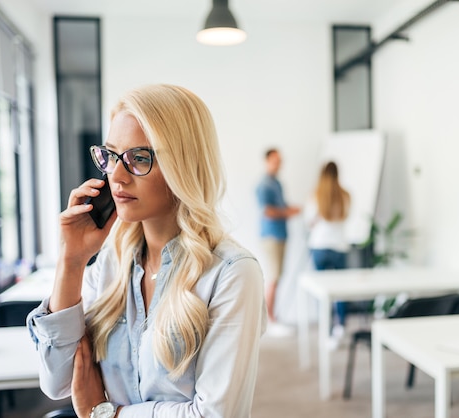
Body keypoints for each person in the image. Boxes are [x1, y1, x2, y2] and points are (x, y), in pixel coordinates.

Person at [26, 84, 267, 418]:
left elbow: (213, 414)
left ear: (182, 166)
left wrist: (107, 413)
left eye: (139, 158)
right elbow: (56, 383)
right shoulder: (113, 262)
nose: (117, 176)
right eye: (110, 156)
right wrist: (72, 260)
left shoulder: (232, 273)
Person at [304, 161, 351, 342]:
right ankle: (341, 327)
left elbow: (309, 221)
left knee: (322, 290)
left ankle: (327, 327)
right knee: (341, 289)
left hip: (320, 245)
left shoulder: (315, 195)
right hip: (340, 245)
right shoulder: (345, 195)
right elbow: (347, 216)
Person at [255, 148, 300, 334]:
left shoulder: (278, 184)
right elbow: (268, 211)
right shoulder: (264, 185)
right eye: (275, 160)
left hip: (281, 235)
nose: (278, 164)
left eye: (280, 160)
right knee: (273, 278)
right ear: (267, 161)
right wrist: (289, 212)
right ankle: (270, 320)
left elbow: (281, 207)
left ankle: (273, 318)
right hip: (271, 236)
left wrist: (294, 209)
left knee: (277, 277)